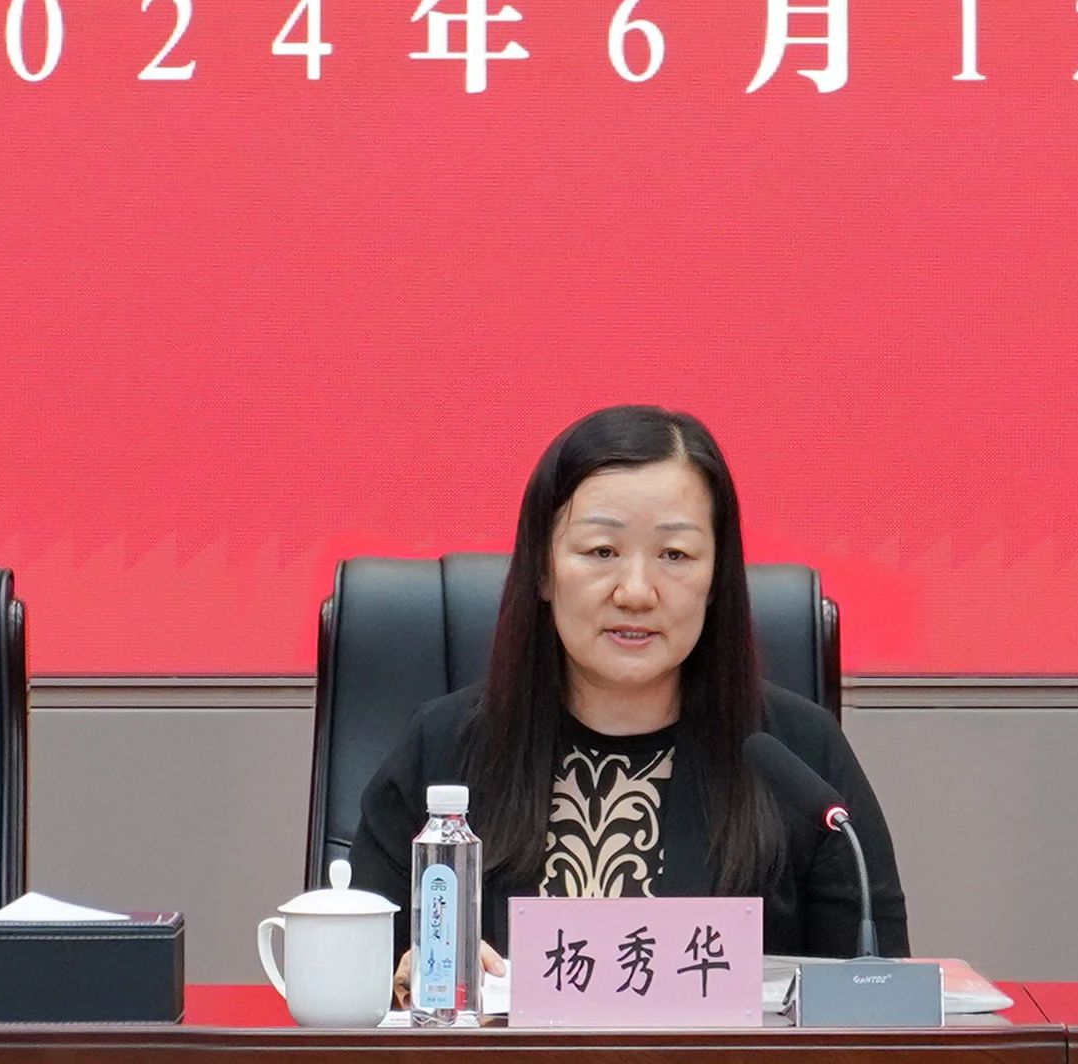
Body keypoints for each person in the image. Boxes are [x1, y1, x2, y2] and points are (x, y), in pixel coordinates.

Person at [326, 404, 902, 960]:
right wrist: (406, 979)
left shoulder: (800, 759)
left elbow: (876, 995)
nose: (636, 592)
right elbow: (365, 982)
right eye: (602, 551)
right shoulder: (442, 751)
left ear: (716, 579)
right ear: (543, 570)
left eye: (675, 554)